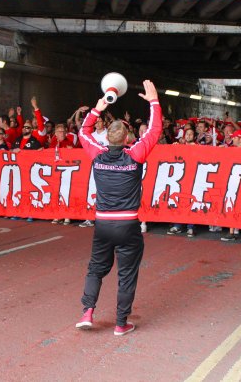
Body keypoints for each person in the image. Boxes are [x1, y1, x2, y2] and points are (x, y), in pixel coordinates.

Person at [75, 79, 162, 336]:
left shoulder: (97, 154)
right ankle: (121, 323)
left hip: (102, 224)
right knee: (127, 274)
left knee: (95, 269)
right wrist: (154, 101)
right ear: (126, 138)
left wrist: (98, 107)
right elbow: (155, 129)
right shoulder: (134, 154)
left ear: (107, 138)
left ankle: (87, 312)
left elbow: (83, 131)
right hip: (128, 225)